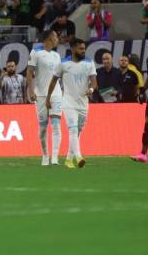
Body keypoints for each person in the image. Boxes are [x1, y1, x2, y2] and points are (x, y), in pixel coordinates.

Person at [46, 38, 97, 169]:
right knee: (73, 130)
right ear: (73, 49)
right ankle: (79, 157)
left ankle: (69, 159)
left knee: (78, 131)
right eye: (81, 49)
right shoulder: (63, 63)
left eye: (84, 48)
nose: (83, 51)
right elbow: (53, 81)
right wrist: (48, 98)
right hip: (68, 102)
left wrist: (91, 89)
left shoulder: (89, 63)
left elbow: (94, 82)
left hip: (83, 103)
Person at [27, 30, 63, 166]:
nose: (57, 39)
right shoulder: (36, 52)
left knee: (56, 125)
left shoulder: (57, 55)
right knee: (43, 128)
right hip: (41, 94)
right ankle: (45, 155)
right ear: (49, 39)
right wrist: (31, 91)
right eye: (55, 36)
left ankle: (54, 157)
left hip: (56, 94)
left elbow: (59, 76)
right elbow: (29, 72)